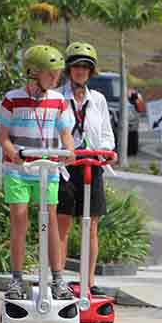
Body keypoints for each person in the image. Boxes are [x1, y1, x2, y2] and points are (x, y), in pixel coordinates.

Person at [0, 45, 76, 300]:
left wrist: (70, 152)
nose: (55, 79)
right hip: (19, 170)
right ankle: (16, 279)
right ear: (33, 73)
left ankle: (58, 279)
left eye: (57, 74)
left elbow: (65, 135)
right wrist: (15, 153)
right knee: (19, 219)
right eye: (50, 74)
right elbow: (3, 138)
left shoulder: (58, 101)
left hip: (48, 170)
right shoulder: (12, 99)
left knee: (50, 220)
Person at [55, 42, 116, 296]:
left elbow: (106, 135)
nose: (80, 71)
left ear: (91, 72)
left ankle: (88, 282)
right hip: (66, 169)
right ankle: (57, 279)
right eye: (76, 67)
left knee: (91, 226)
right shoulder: (57, 98)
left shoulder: (98, 100)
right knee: (63, 224)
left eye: (85, 67)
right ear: (69, 70)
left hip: (92, 166)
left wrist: (107, 152)